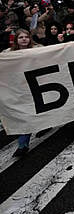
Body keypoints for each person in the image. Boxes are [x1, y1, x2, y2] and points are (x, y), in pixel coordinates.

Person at [2, 29, 42, 157]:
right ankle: (22, 145)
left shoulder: (39, 50)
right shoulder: (7, 55)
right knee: (25, 115)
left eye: (26, 37)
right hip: (18, 89)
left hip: (36, 86)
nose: (24, 39)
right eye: (20, 37)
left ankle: (46, 124)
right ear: (16, 40)